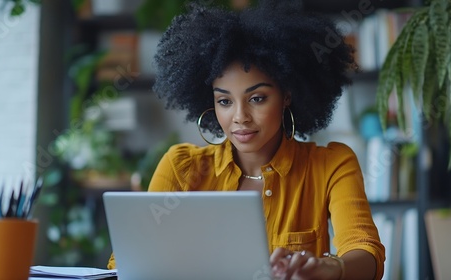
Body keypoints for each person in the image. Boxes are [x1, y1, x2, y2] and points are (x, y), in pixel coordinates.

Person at [107, 0, 385, 279]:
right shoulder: (182, 168)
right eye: (225, 101)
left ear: (287, 94)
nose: (240, 117)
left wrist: (333, 268)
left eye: (257, 98)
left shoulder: (331, 165)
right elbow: (127, 262)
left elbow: (366, 251)